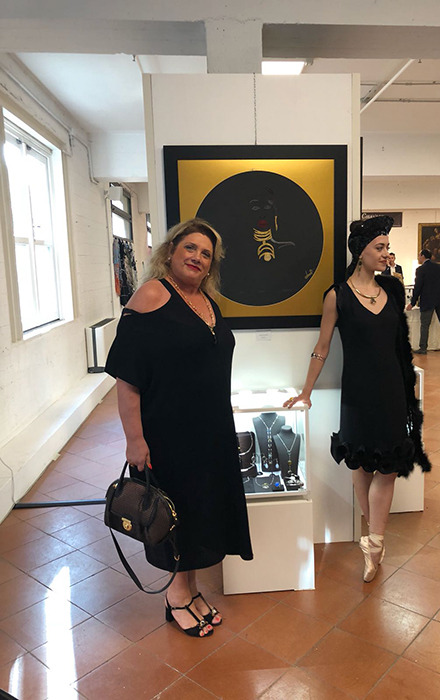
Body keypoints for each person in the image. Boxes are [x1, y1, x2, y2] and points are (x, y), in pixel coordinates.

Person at [105, 218, 253, 637]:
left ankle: (189, 588)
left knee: (199, 510)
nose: (197, 257)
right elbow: (127, 378)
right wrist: (135, 439)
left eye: (206, 254)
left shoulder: (207, 301)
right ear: (170, 251)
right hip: (168, 431)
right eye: (190, 248)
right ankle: (176, 596)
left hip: (209, 430)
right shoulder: (153, 294)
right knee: (176, 513)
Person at [284, 216, 430, 583]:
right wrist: (306, 391)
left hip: (392, 390)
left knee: (389, 466)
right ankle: (372, 533)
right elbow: (322, 347)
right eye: (379, 247)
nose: (385, 254)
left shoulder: (392, 290)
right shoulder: (337, 296)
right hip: (357, 393)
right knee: (362, 464)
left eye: (387, 248)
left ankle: (375, 541)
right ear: (360, 251)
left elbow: (399, 343)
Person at [406, 249, 440, 355]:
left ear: (423, 256)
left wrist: (412, 302)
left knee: (425, 325)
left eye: (419, 255)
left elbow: (418, 287)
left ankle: (423, 348)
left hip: (427, 300)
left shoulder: (421, 269)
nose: (418, 257)